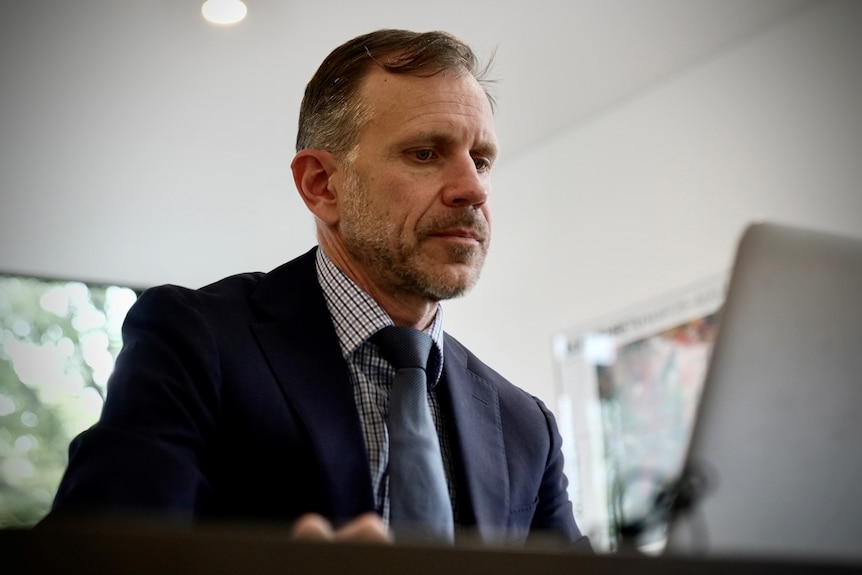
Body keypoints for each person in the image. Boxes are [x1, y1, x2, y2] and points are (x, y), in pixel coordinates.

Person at [43, 29, 588, 549]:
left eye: (482, 159)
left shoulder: (526, 428)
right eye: (425, 153)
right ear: (322, 185)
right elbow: (93, 559)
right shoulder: (194, 342)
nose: (472, 188)